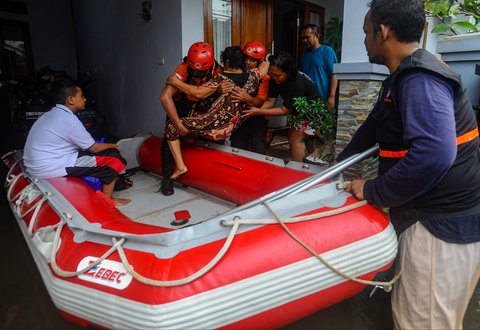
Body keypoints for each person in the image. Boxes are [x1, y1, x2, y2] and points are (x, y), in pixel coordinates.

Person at [335, 1, 480, 329]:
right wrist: (335, 166)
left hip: (440, 227)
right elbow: (373, 127)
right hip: (440, 219)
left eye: (365, 32)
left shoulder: (419, 78)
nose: (364, 40)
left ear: (382, 31)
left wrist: (374, 190)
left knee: (423, 323)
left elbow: (434, 154)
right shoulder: (402, 76)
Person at [164, 46, 269, 179]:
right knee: (194, 118)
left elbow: (198, 93)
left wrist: (175, 82)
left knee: (171, 126)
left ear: (228, 62)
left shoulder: (221, 78)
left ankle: (180, 166)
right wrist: (264, 59)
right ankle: (189, 141)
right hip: (230, 129)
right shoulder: (254, 76)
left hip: (214, 128)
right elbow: (265, 66)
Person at [23, 79, 130, 206]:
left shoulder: (51, 114)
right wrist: (114, 145)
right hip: (49, 167)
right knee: (114, 158)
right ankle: (108, 200)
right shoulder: (68, 119)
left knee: (103, 153)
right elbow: (94, 148)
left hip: (40, 164)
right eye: (81, 96)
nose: (85, 99)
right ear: (71, 99)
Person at [159, 41, 222, 196]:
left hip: (203, 104)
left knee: (212, 137)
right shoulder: (183, 68)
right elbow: (165, 97)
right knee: (170, 135)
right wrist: (177, 125)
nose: (196, 75)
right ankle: (166, 179)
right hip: (181, 103)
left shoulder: (218, 70)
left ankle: (214, 177)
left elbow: (204, 93)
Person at [243, 51, 321, 162]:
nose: (274, 77)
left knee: (295, 136)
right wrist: (253, 110)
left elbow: (284, 110)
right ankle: (311, 162)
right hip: (298, 113)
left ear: (288, 73)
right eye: (271, 73)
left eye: (278, 75)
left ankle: (297, 170)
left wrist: (258, 112)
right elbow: (270, 101)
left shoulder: (297, 84)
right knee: (303, 137)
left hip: (314, 112)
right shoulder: (275, 78)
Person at [228, 41, 271, 154]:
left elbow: (259, 102)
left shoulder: (264, 77)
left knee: (258, 150)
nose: (247, 62)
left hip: (256, 117)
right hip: (238, 118)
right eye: (246, 58)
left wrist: (247, 98)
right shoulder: (237, 73)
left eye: (252, 60)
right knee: (237, 149)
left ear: (259, 62)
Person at [299, 24, 338, 108]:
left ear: (317, 36)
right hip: (307, 101)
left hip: (323, 100)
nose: (304, 40)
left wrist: (332, 96)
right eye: (303, 38)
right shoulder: (304, 54)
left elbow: (334, 75)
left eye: (307, 37)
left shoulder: (327, 51)